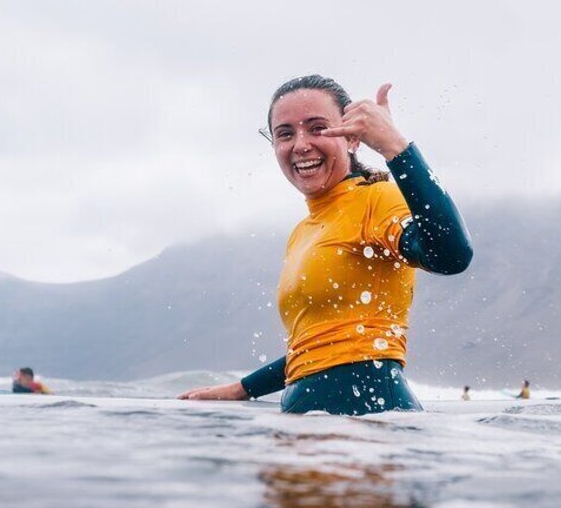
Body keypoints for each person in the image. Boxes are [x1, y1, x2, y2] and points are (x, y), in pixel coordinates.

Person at [177, 75, 473, 415]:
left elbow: (451, 255)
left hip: (371, 424)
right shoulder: (303, 231)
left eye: (317, 128)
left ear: (352, 138)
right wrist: (243, 389)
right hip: (313, 425)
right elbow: (319, 347)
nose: (301, 144)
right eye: (285, 133)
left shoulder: (376, 200)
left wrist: (395, 147)